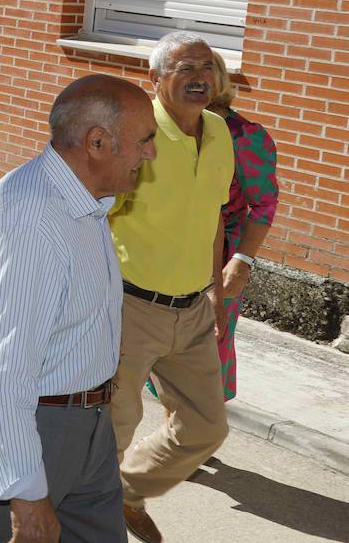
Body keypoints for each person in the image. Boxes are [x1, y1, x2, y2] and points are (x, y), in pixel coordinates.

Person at [0, 75, 157, 543]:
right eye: (144, 141)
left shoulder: (87, 201)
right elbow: (2, 370)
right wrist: (25, 494)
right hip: (25, 424)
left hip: (86, 423)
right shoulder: (31, 221)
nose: (151, 154)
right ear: (97, 142)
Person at [108, 32, 233, 543]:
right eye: (185, 68)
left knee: (207, 427)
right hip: (130, 305)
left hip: (194, 309)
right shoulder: (134, 133)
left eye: (207, 66)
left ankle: (122, 492)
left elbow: (214, 216)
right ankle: (81, 520)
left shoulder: (220, 132)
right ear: (155, 79)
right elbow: (95, 213)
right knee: (110, 428)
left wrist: (216, 293)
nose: (200, 75)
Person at [209, 53, 279, 400]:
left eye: (205, 70)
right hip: (164, 248)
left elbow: (264, 203)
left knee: (212, 339)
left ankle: (196, 437)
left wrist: (242, 260)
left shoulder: (244, 136)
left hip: (220, 253)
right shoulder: (162, 127)